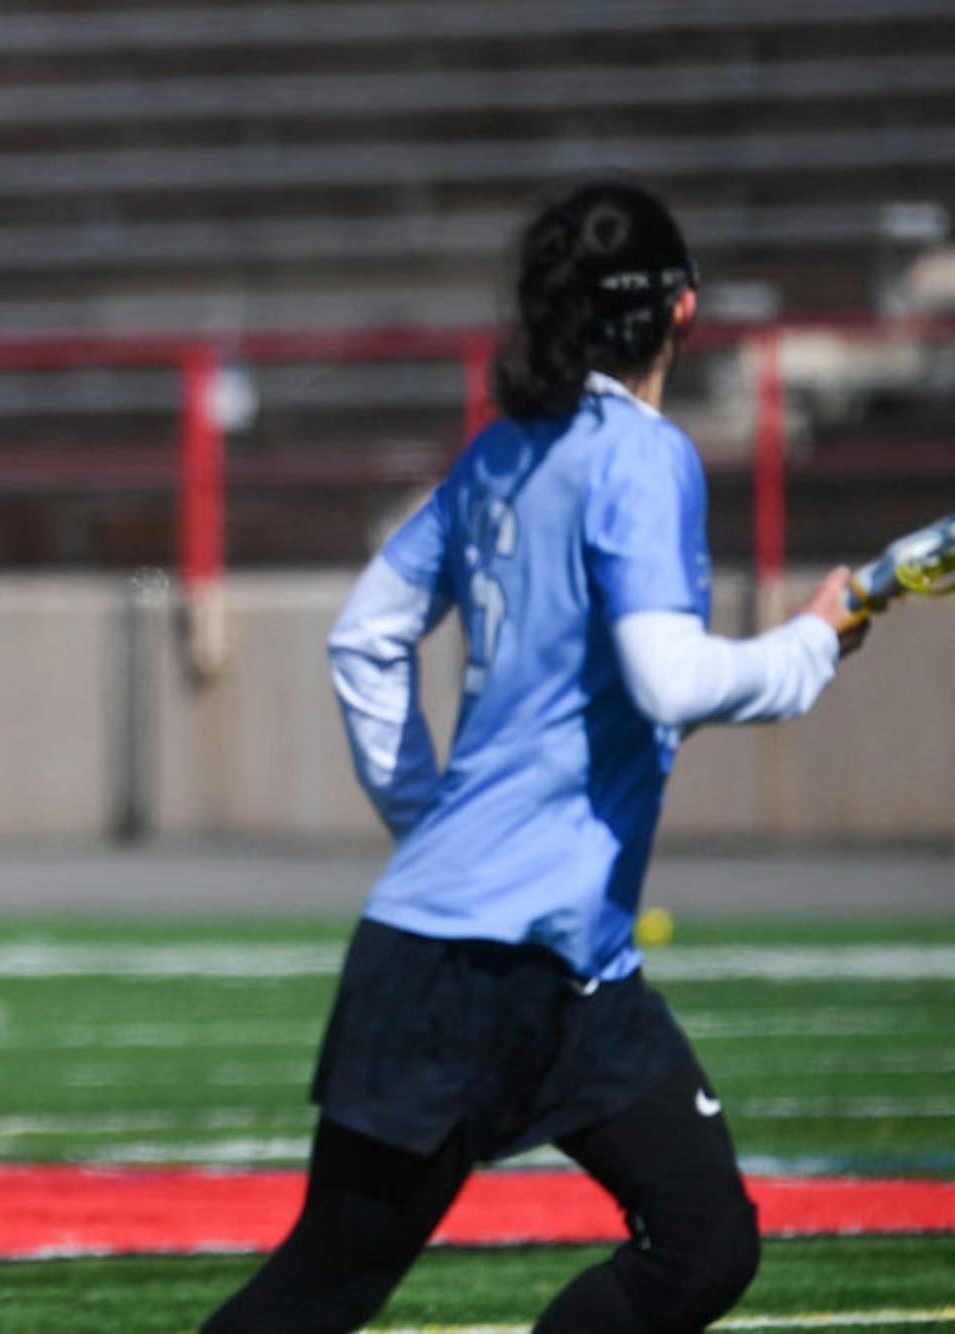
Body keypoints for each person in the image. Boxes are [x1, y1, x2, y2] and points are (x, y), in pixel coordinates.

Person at [204, 181, 869, 1333]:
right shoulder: (641, 457)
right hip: (475, 969)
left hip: (568, 965)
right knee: (322, 1287)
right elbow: (667, 677)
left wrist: (428, 818)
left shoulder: (499, 455)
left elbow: (363, 635)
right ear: (681, 309)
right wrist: (809, 645)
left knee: (703, 1242)